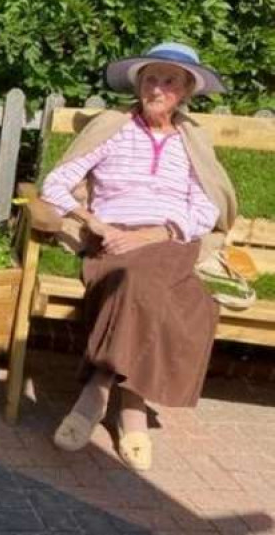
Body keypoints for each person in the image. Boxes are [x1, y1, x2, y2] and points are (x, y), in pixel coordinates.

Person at [40, 42, 237, 471]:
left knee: (149, 280)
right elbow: (55, 185)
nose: (157, 88)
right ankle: (133, 412)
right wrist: (95, 223)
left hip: (170, 239)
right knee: (150, 286)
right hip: (113, 240)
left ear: (185, 91)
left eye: (169, 81)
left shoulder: (192, 141)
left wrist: (156, 232)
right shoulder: (114, 128)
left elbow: (206, 209)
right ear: (138, 84)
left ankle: (100, 386)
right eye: (151, 78)